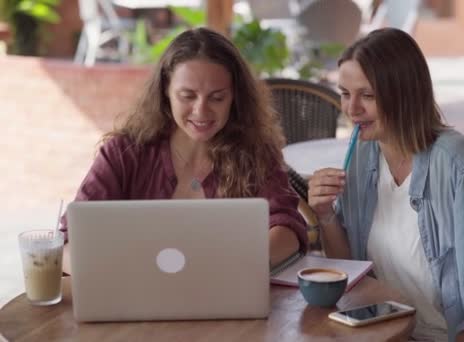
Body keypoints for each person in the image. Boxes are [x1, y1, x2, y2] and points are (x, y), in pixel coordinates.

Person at [308, 28, 464, 341]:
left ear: (404, 94)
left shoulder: (459, 167)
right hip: (385, 333)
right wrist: (325, 215)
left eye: (368, 95)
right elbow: (352, 272)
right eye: (345, 94)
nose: (351, 109)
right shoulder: (363, 153)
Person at [61, 27, 307, 274]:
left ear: (235, 97)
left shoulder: (255, 153)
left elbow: (287, 227)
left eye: (217, 98)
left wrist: (242, 267)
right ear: (166, 91)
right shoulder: (124, 153)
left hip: (227, 301)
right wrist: (108, 273)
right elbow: (69, 239)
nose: (201, 111)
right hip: (134, 301)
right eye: (187, 96)